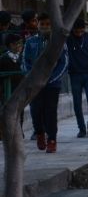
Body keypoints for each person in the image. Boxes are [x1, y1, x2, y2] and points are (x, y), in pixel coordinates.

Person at [23, 13, 68, 153]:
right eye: (42, 24)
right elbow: (25, 62)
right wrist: (32, 78)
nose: (45, 27)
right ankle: (40, 133)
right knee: (35, 111)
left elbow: (64, 63)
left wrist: (51, 79)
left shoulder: (59, 42)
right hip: (34, 84)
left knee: (50, 112)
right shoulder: (30, 42)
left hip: (52, 84)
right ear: (37, 24)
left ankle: (52, 140)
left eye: (48, 24)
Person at [66, 18, 88, 138]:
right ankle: (81, 129)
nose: (79, 34)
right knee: (77, 102)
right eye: (77, 32)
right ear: (73, 30)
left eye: (81, 31)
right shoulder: (68, 39)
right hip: (75, 74)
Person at [0, 33, 25, 133]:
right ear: (10, 45)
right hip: (7, 91)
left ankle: (19, 131)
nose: (19, 46)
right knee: (7, 112)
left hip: (20, 89)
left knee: (20, 111)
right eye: (17, 44)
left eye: (20, 43)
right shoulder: (3, 59)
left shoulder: (22, 58)